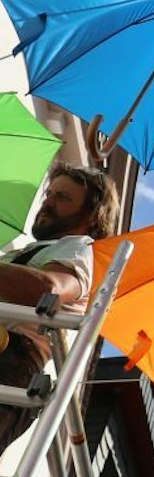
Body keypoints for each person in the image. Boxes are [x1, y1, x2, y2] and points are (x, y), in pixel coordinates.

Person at [0, 162, 118, 445]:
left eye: (62, 197)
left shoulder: (81, 247)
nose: (48, 202)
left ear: (92, 216)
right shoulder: (27, 252)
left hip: (11, 360)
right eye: (49, 193)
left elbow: (49, 289)